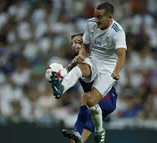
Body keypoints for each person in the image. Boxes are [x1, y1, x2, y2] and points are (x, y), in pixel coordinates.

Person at [49, 2, 127, 143]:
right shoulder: (90, 26)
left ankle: (99, 131)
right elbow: (84, 47)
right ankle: (60, 89)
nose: (95, 20)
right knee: (83, 92)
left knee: (88, 99)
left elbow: (122, 55)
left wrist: (116, 71)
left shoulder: (117, 32)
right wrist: (82, 54)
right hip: (94, 67)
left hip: (106, 95)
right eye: (73, 43)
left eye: (99, 17)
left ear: (110, 17)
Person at [61, 33, 118, 143]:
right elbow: (65, 72)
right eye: (72, 43)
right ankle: (79, 132)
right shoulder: (75, 63)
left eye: (78, 42)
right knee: (76, 141)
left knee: (85, 96)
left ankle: (96, 130)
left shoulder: (95, 58)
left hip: (107, 98)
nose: (74, 45)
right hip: (93, 106)